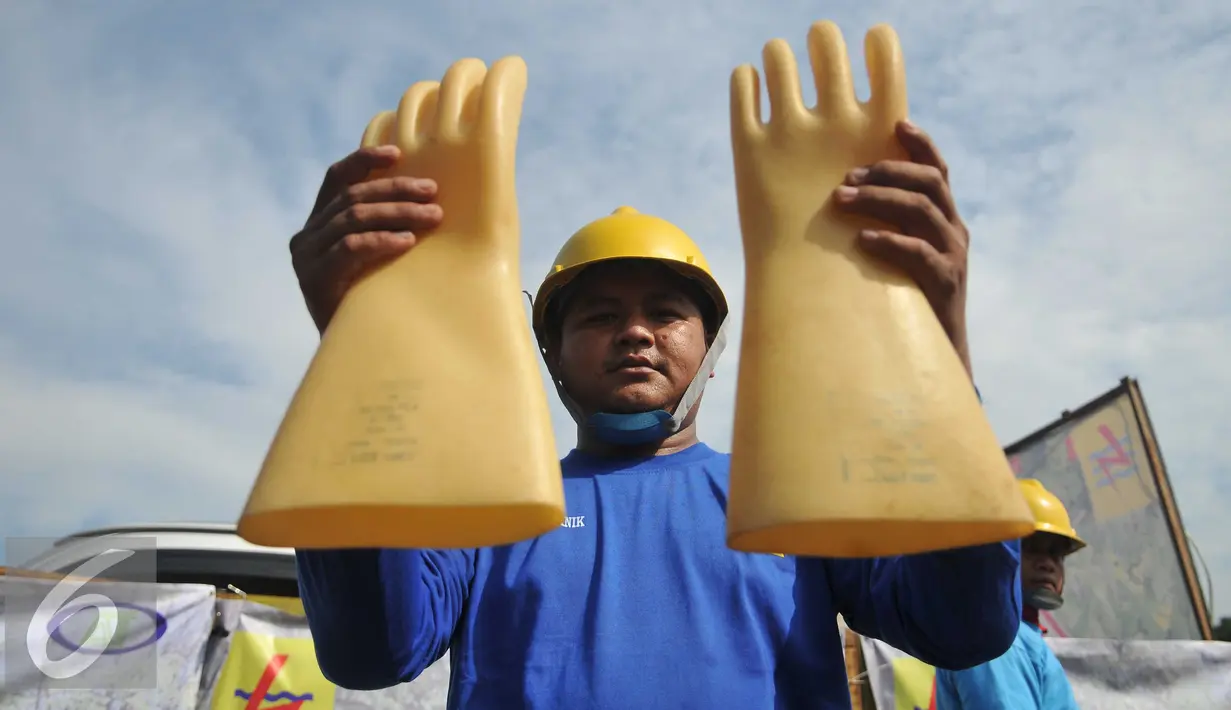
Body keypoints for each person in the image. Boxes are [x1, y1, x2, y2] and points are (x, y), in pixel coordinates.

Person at [290, 120, 1022, 709]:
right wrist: (357, 357)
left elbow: (965, 627)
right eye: (601, 315)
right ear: (551, 352)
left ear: (714, 345)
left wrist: (943, 363)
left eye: (665, 313)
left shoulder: (796, 499)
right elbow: (368, 653)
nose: (634, 332)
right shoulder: (485, 512)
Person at [933, 478, 1085, 709]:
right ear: (996, 553)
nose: (1048, 564)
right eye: (1031, 548)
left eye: (1056, 553)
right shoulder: (996, 641)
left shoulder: (1017, 636)